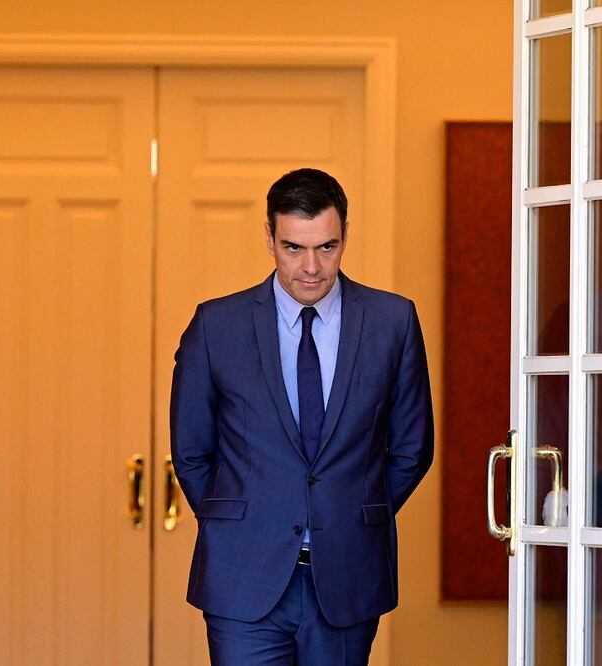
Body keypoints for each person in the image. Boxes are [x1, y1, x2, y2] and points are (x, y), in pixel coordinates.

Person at [170, 168, 434, 665]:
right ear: (269, 237)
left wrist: (349, 511)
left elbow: (411, 448)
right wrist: (240, 519)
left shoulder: (392, 321)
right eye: (294, 248)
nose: (311, 267)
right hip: (242, 574)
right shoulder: (216, 325)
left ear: (345, 236)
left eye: (327, 247)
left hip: (348, 575)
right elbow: (190, 451)